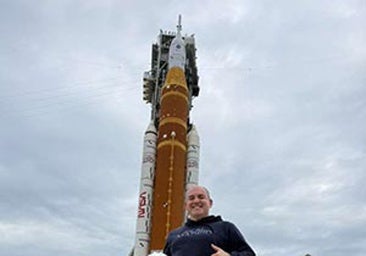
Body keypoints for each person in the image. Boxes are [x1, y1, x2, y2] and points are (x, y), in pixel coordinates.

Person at [163, 185, 256, 256]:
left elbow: (249, 254)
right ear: (185, 206)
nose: (196, 201)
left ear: (210, 203)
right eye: (191, 198)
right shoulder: (173, 235)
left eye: (201, 197)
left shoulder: (225, 228)